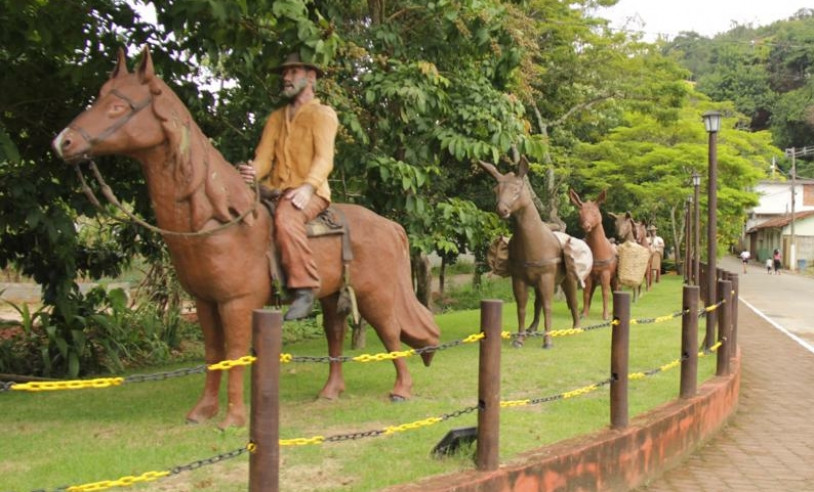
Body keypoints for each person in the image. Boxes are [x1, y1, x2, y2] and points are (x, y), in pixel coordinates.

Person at [238, 52, 339, 320]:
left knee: (286, 218)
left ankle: (305, 288)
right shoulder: (275, 118)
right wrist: (252, 172)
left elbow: (324, 159)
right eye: (285, 73)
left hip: (310, 192)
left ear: (311, 77)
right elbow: (263, 159)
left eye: (292, 72)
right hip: (273, 190)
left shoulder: (323, 115)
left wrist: (307, 188)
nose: (285, 77)